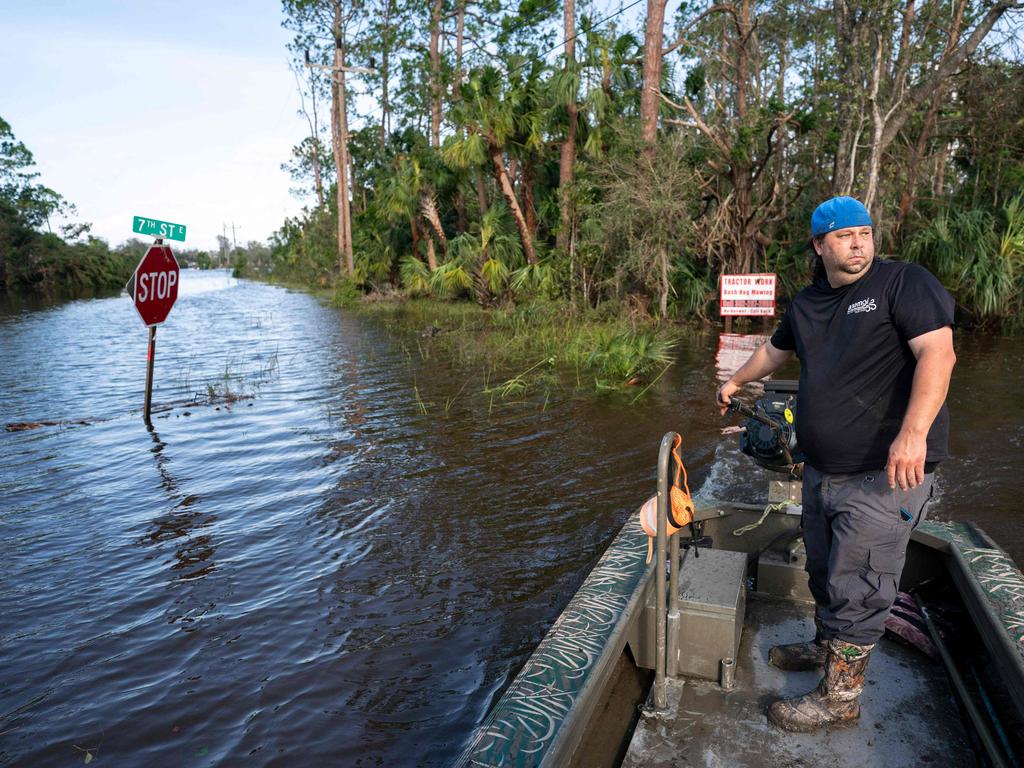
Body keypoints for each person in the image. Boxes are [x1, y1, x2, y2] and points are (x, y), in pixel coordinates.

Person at [716, 196, 956, 732]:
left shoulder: (903, 284)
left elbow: (938, 353)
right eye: (845, 236)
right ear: (820, 245)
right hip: (823, 471)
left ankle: (839, 700)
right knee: (824, 569)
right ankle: (827, 647)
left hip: (885, 473)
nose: (859, 244)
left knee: (861, 584)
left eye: (865, 233)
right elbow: (775, 352)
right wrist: (734, 381)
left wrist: (912, 435)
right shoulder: (807, 304)